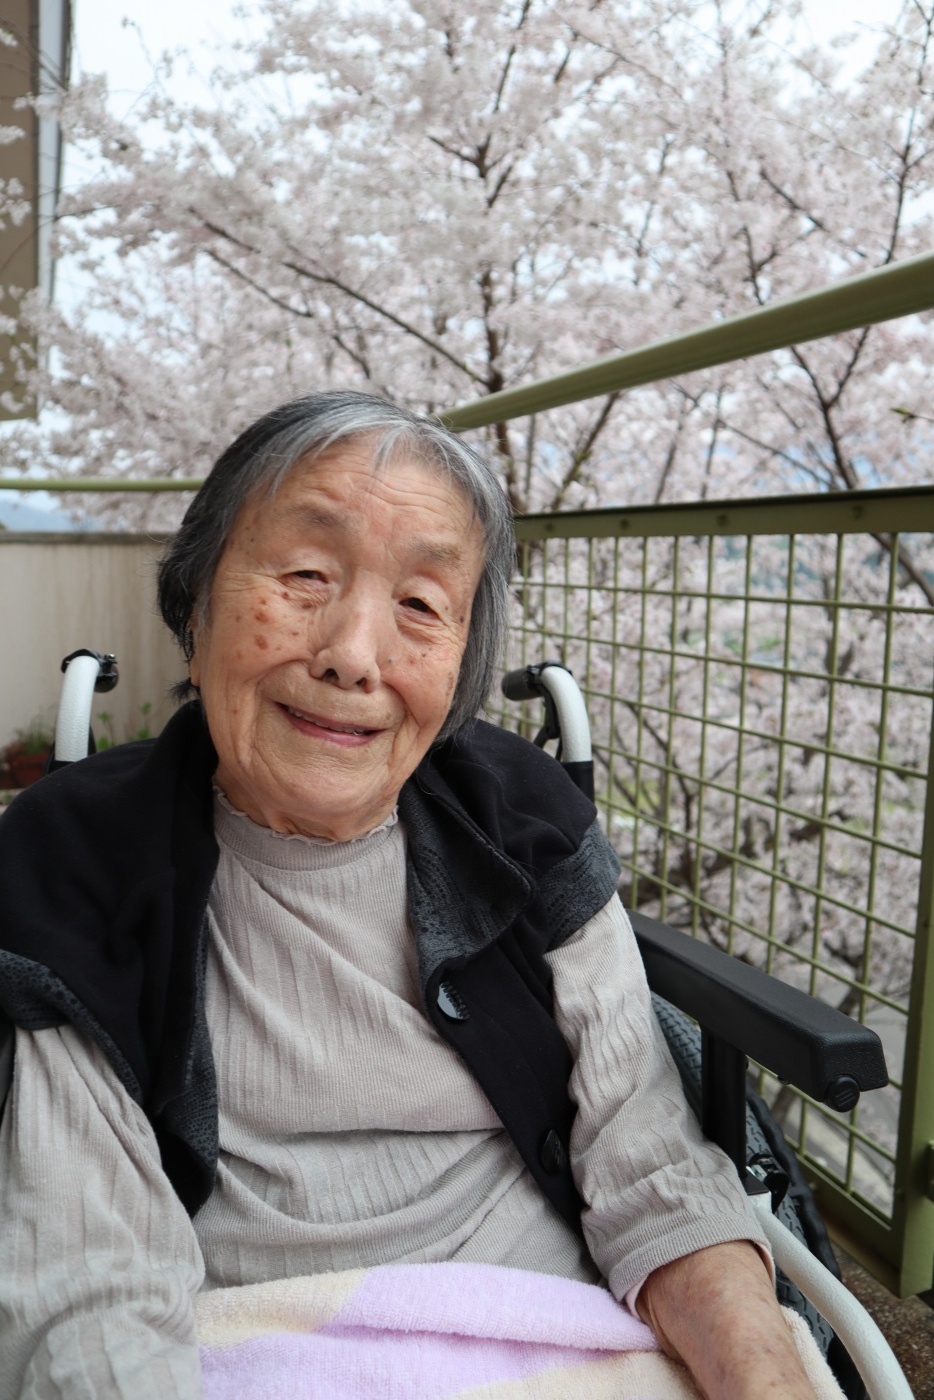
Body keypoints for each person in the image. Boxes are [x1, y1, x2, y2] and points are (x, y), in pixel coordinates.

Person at [0, 392, 820, 1398]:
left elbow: (653, 1173)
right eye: (305, 574)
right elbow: (89, 1292)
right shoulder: (74, 862)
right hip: (246, 1346)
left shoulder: (523, 823)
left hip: (554, 1332)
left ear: (461, 665)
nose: (353, 654)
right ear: (197, 603)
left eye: (422, 605)